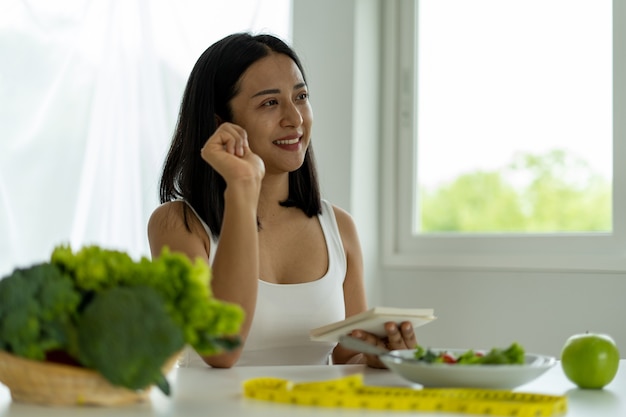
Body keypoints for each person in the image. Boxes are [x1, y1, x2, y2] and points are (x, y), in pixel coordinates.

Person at [148, 32, 416, 368]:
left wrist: (382, 355)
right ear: (221, 124)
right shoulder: (178, 225)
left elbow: (348, 354)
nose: (295, 118)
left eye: (301, 96)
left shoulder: (339, 227)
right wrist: (243, 186)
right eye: (270, 103)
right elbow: (221, 349)